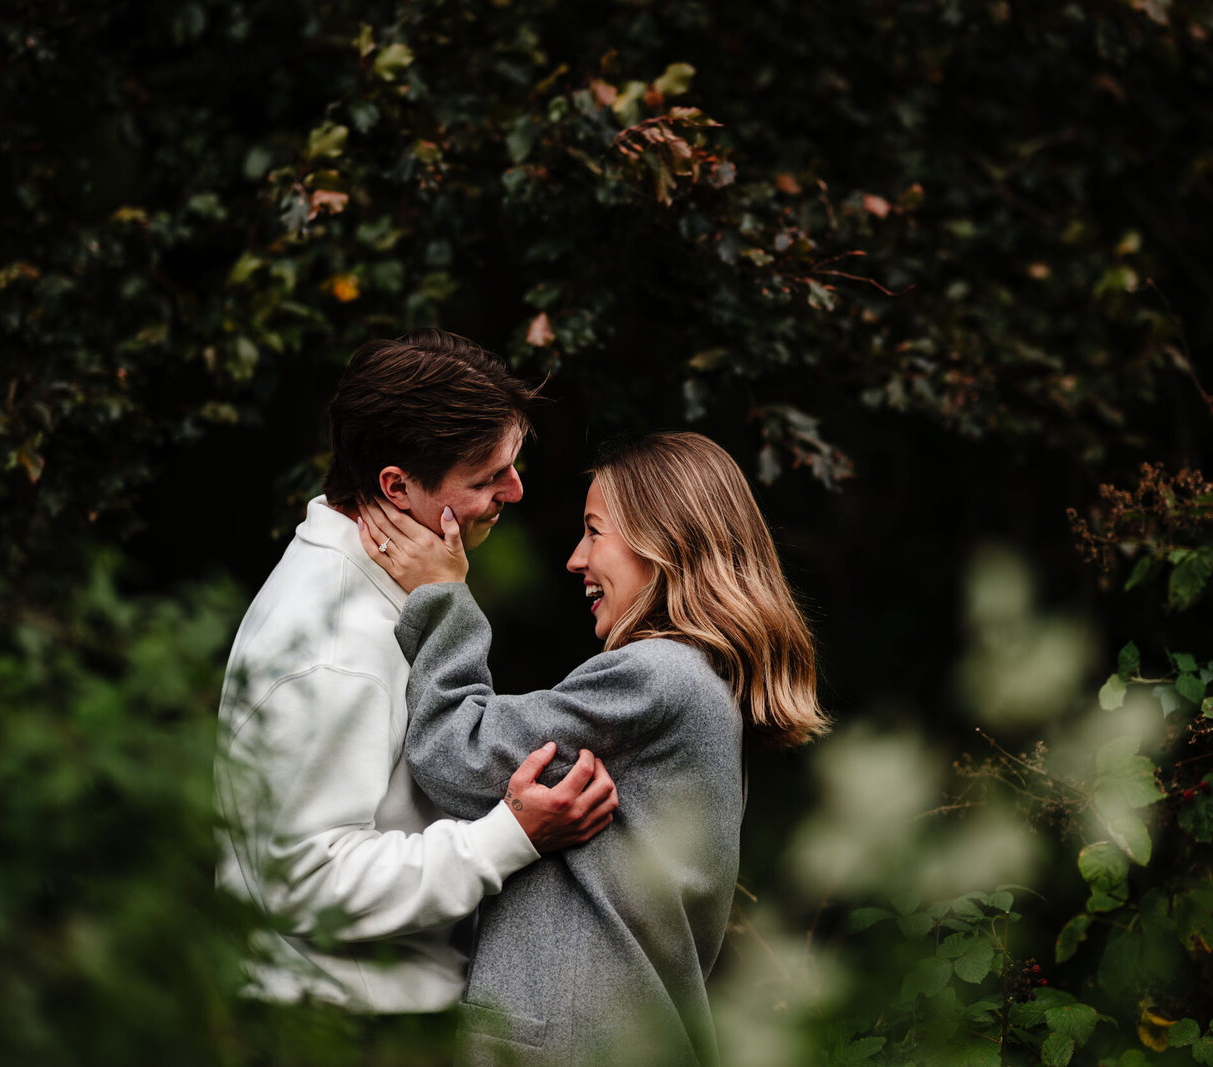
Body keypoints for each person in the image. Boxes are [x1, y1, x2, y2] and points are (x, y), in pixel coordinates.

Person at [359, 430, 829, 1065]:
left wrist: (442, 599)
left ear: (665, 543)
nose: (576, 559)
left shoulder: (658, 677)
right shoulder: (703, 684)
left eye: (595, 531)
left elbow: (456, 750)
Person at [214, 330, 618, 1021]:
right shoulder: (336, 640)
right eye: (489, 476)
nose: (514, 491)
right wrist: (509, 835)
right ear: (397, 486)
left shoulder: (388, 588)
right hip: (334, 1023)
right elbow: (303, 879)